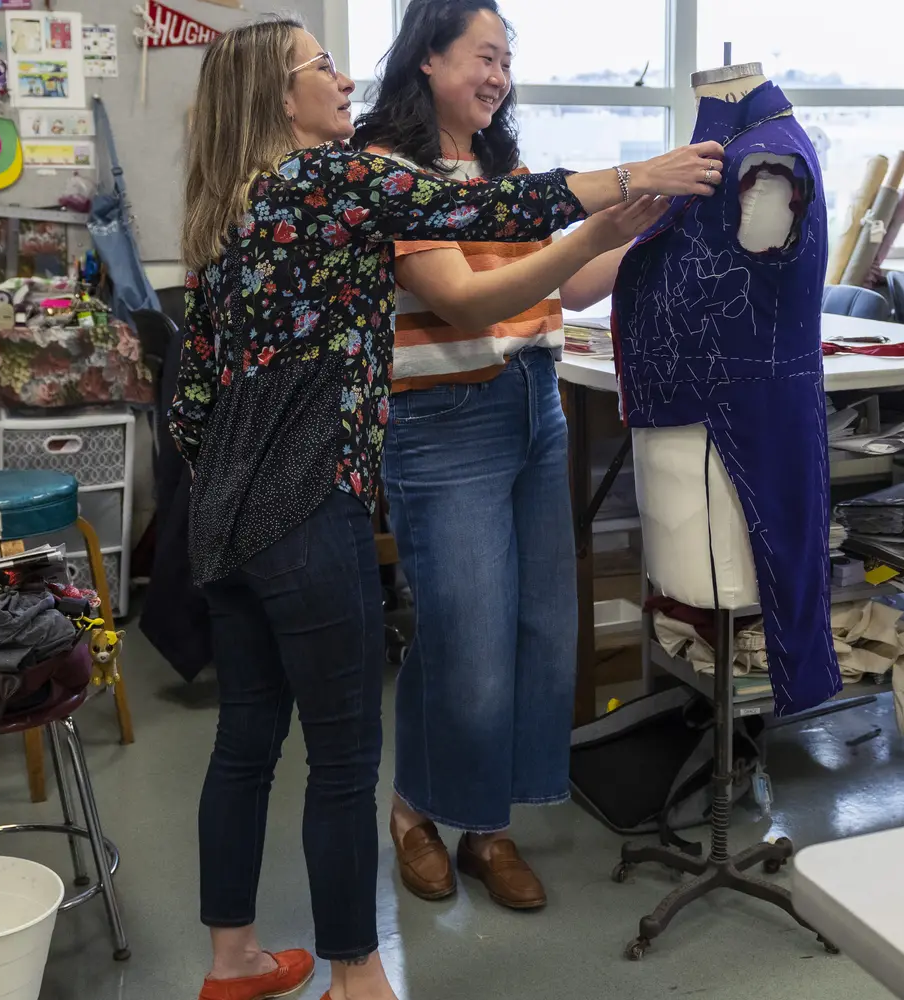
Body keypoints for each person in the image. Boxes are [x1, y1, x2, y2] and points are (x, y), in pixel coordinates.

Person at [175, 17, 723, 1000]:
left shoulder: (222, 215)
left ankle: (233, 962)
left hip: (226, 515)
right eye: (318, 66)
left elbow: (190, 401)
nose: (337, 81)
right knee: (345, 759)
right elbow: (501, 212)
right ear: (276, 95)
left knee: (247, 744)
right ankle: (358, 979)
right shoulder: (334, 182)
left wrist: (232, 484)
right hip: (309, 509)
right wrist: (635, 175)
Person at [350, 0, 660, 912]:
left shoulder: (499, 167)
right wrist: (589, 230)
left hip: (534, 407)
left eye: (506, 61)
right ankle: (414, 811)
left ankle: (488, 825)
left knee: (538, 635)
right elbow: (465, 303)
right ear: (429, 59)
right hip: (444, 421)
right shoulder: (386, 168)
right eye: (484, 56)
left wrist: (643, 225)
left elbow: (570, 281)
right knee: (465, 642)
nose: (499, 76)